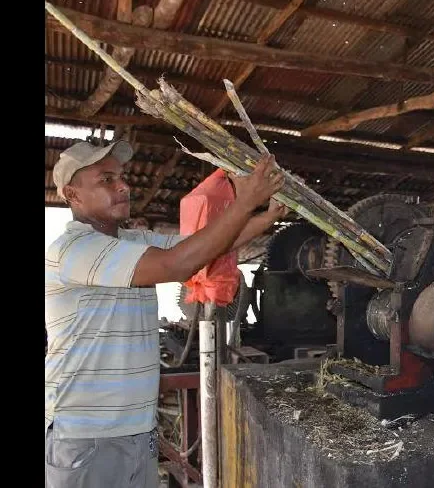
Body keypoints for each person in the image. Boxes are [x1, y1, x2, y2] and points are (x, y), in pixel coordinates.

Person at [45, 140, 288, 488]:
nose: (123, 185)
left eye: (122, 177)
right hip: (86, 436)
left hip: (136, 428)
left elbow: (208, 245)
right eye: (106, 179)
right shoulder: (73, 249)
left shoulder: (132, 242)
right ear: (73, 195)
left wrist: (265, 216)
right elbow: (179, 264)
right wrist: (245, 201)